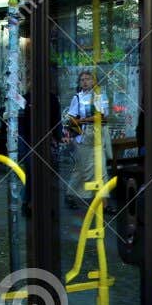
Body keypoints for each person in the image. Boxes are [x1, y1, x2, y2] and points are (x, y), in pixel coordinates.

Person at [62, 69, 108, 206]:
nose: (85, 82)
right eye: (82, 79)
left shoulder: (98, 97)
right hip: (83, 137)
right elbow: (71, 118)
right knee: (82, 169)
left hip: (97, 135)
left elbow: (102, 116)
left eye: (88, 79)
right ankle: (70, 194)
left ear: (93, 81)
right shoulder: (77, 98)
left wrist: (84, 119)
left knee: (102, 169)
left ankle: (104, 203)